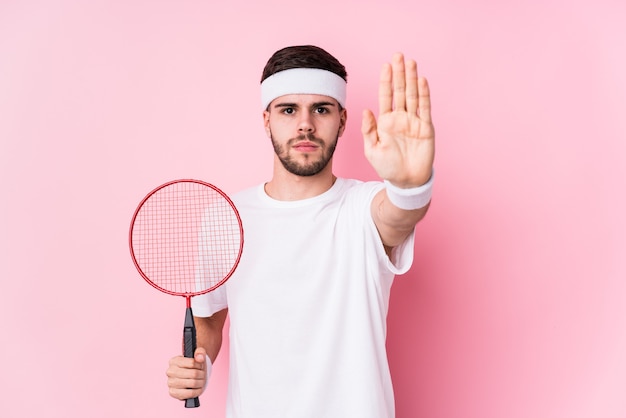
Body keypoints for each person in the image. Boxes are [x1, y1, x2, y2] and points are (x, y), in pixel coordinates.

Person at [165, 45, 435, 418]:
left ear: (342, 120)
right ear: (266, 120)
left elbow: (399, 216)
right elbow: (209, 318)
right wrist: (199, 368)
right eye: (288, 109)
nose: (305, 124)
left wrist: (410, 186)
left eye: (320, 109)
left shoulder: (364, 206)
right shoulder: (227, 216)